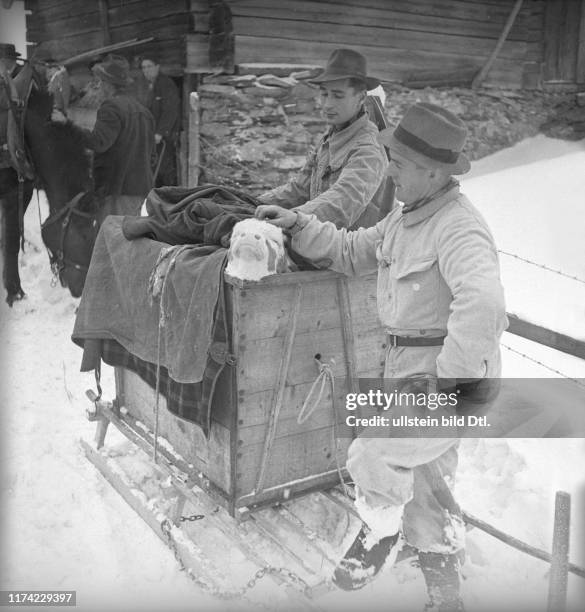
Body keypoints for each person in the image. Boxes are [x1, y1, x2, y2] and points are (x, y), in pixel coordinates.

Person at [256, 103, 508, 611]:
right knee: (427, 487)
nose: (388, 169)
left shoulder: (458, 228)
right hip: (406, 369)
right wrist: (298, 222)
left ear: (434, 172)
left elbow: (484, 306)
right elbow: (352, 249)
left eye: (399, 162)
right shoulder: (405, 216)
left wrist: (446, 385)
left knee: (373, 454)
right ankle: (444, 596)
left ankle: (373, 544)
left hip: (444, 380)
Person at [257, 48, 388, 230]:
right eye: (324, 94)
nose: (327, 104)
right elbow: (300, 188)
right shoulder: (330, 137)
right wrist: (253, 204)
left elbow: (344, 199)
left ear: (360, 98)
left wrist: (295, 218)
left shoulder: (368, 147)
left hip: (351, 252)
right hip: (319, 243)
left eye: (338, 96)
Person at [52, 54, 154, 221]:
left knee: (113, 242)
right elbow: (153, 157)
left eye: (100, 81)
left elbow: (99, 142)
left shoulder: (111, 107)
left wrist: (67, 124)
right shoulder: (144, 112)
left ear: (109, 85)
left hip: (117, 193)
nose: (98, 86)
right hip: (143, 192)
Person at [0, 43, 34, 304]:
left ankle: (12, 287)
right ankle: (12, 287)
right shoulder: (8, 85)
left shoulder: (19, 84)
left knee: (11, 231)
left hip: (13, 170)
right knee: (10, 232)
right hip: (8, 169)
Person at [139, 54, 180, 186]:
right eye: (143, 67)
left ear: (157, 67)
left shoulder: (167, 84)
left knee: (164, 168)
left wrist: (160, 133)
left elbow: (171, 110)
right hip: (150, 135)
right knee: (150, 168)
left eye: (149, 66)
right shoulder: (145, 86)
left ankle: (170, 197)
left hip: (165, 136)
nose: (146, 70)